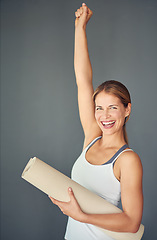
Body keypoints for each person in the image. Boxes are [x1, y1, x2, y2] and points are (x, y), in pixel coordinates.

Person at [49, 3, 143, 240]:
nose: (104, 116)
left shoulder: (127, 160)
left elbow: (132, 222)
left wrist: (81, 216)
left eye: (113, 108)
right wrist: (79, 28)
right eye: (99, 108)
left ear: (127, 110)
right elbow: (83, 79)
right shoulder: (92, 136)